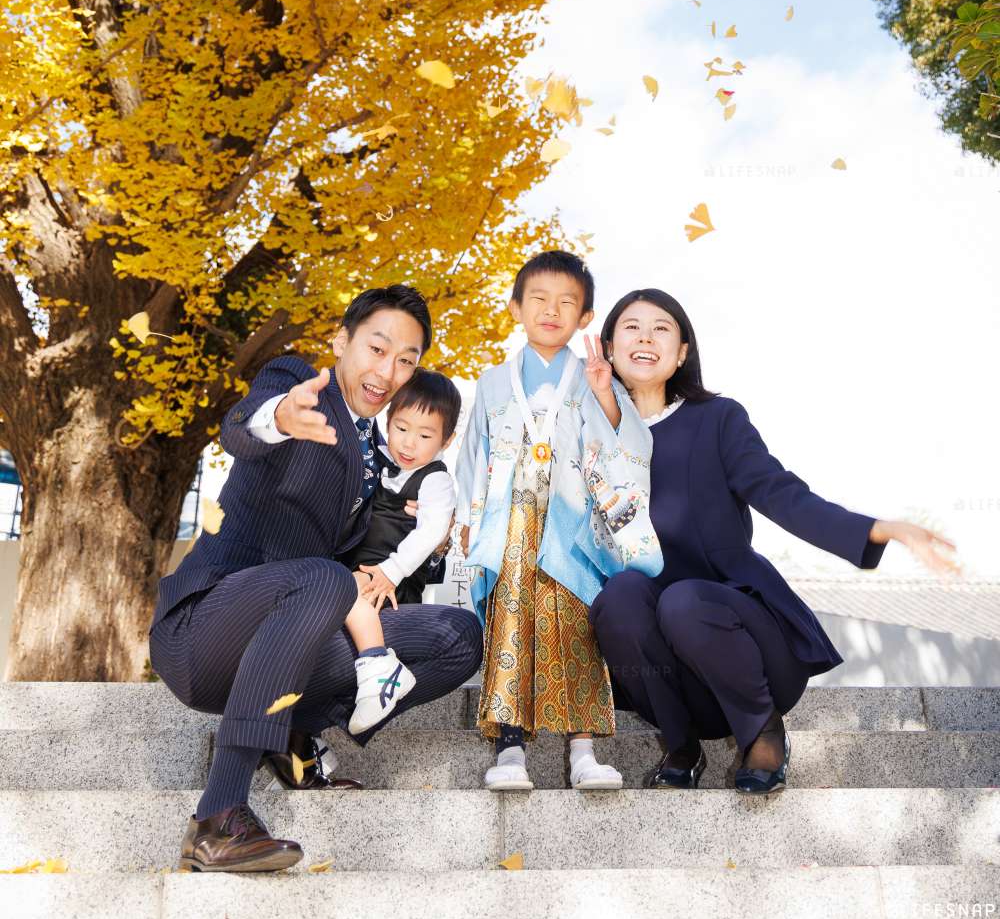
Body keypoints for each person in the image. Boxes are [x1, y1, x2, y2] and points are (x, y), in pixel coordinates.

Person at [148, 285, 483, 872]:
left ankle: (295, 734)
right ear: (341, 341)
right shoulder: (298, 383)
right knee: (329, 581)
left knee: (457, 637)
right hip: (204, 632)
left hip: (292, 643)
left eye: (407, 360)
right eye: (377, 349)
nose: (389, 370)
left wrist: (418, 534)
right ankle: (219, 814)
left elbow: (372, 564)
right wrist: (278, 417)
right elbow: (241, 427)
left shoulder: (389, 461)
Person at [588, 288, 960, 794]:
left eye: (662, 328)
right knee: (620, 597)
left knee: (684, 599)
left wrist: (876, 529)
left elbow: (778, 492)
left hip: (746, 645)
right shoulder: (591, 435)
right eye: (632, 326)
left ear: (681, 354)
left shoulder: (718, 419)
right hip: (669, 675)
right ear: (608, 347)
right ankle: (679, 746)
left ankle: (762, 732)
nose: (646, 337)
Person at [455, 251, 663, 792]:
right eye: (539, 299)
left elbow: (630, 443)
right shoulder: (495, 378)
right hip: (509, 521)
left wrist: (602, 394)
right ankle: (509, 747)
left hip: (572, 522)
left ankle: (583, 748)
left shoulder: (594, 375)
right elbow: (473, 456)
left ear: (585, 317)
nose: (552, 310)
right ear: (516, 307)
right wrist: (467, 517)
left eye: (567, 302)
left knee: (574, 623)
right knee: (510, 623)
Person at [339, 367, 462, 735]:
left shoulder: (436, 481)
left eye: (425, 435)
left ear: (447, 440)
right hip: (362, 571)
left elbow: (432, 532)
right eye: (401, 428)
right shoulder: (372, 457)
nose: (408, 444)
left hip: (392, 583)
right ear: (387, 421)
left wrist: (392, 570)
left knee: (342, 590)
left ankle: (378, 665)